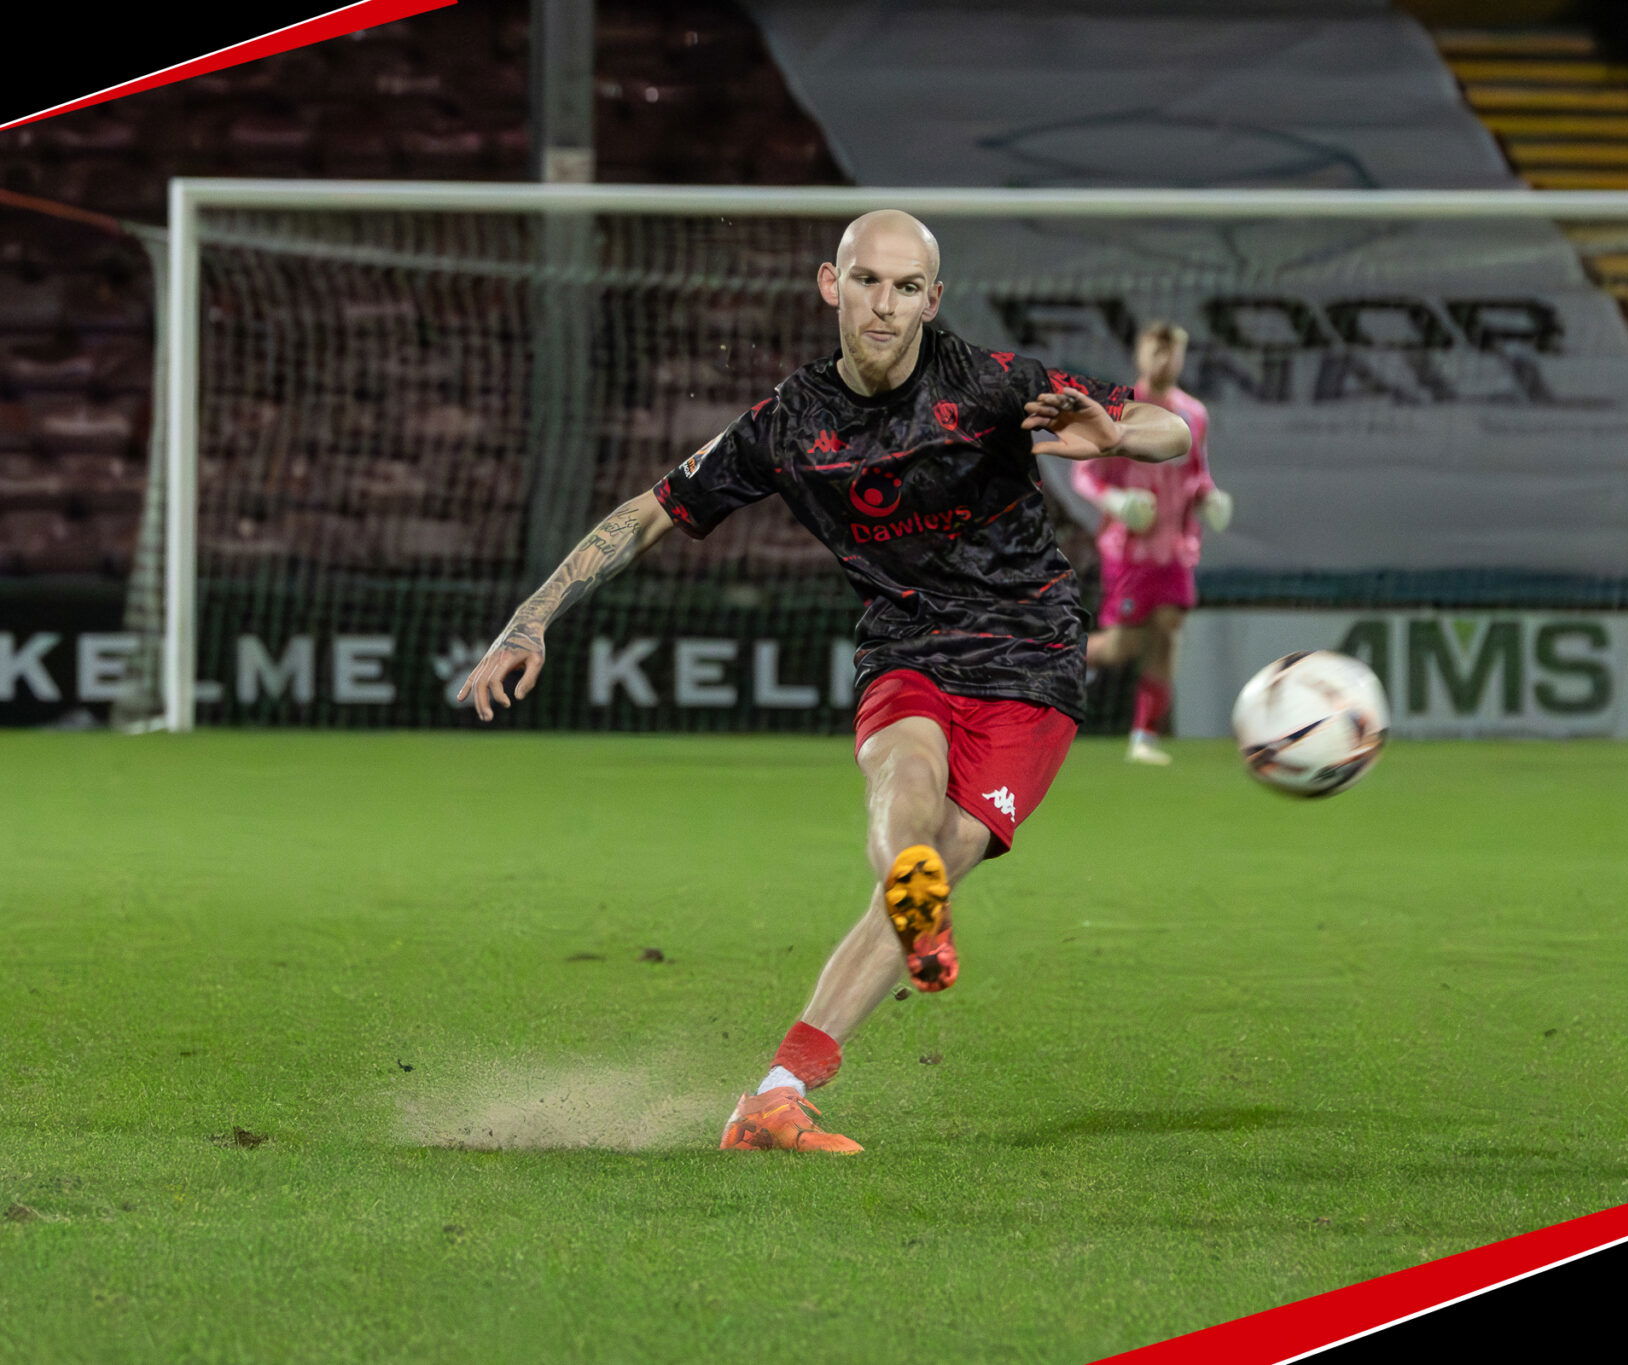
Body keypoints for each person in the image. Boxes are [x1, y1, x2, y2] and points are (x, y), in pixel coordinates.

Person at [457, 210, 1190, 1153]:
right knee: (904, 775)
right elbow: (652, 511)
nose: (884, 304)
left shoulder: (994, 382)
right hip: (906, 643)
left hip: (1031, 657)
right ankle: (889, 929)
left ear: (934, 299)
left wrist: (1118, 435)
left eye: (906, 286)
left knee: (952, 843)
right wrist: (531, 617)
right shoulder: (789, 423)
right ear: (830, 284)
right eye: (867, 280)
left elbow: (1172, 427)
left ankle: (776, 1091)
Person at [1073, 322, 1231, 765]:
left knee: (1167, 633)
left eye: (1173, 352)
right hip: (1129, 550)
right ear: (1140, 355)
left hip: (1176, 549)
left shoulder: (1193, 414)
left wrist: (1209, 497)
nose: (1165, 360)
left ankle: (1144, 736)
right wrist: (1116, 501)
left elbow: (1196, 472)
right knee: (1122, 646)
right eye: (1157, 351)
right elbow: (1085, 473)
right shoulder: (1118, 409)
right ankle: (1044, 661)